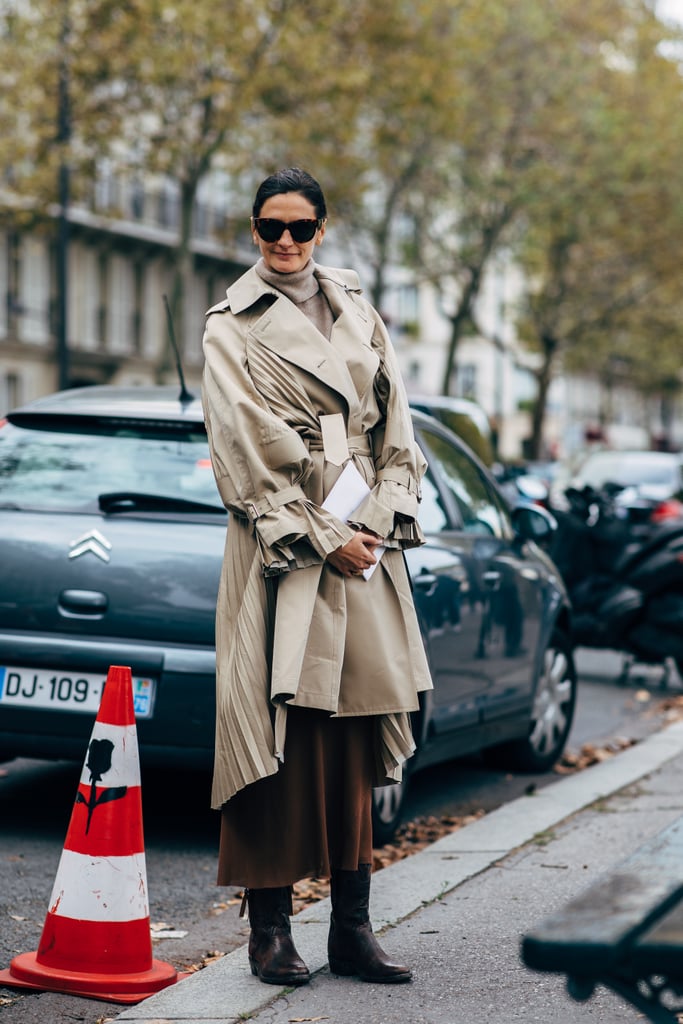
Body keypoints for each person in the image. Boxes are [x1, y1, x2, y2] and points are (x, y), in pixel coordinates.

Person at [201, 167, 432, 987]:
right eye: (271, 229)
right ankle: (269, 933)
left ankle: (351, 930)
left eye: (301, 228)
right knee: (277, 729)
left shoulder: (356, 306)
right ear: (253, 230)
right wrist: (323, 534)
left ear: (323, 229)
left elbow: (396, 428)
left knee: (356, 731)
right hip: (284, 552)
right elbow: (242, 452)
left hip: (364, 543)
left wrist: (378, 519)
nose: (286, 243)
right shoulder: (230, 325)